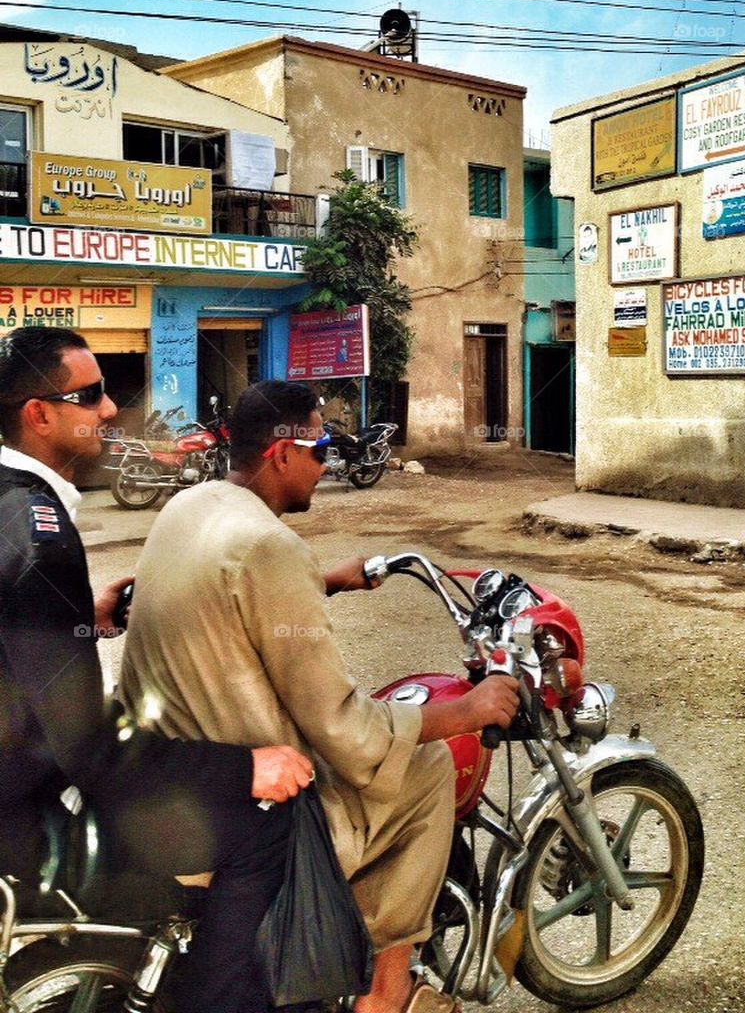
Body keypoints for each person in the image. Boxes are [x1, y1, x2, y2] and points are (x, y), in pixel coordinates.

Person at [121, 379, 521, 1013]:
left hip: (179, 768)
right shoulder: (270, 547)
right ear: (282, 454)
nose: (328, 463)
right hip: (252, 801)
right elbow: (346, 729)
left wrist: (323, 581)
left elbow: (227, 601)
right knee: (427, 766)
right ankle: (384, 992)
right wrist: (466, 710)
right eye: (322, 448)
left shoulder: (191, 505)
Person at [0, 328, 315, 1013]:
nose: (110, 409)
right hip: (26, 821)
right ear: (39, 415)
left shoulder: (13, 502)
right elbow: (87, 748)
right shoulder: (40, 529)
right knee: (265, 827)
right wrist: (245, 767)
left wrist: (82, 614)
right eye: (90, 395)